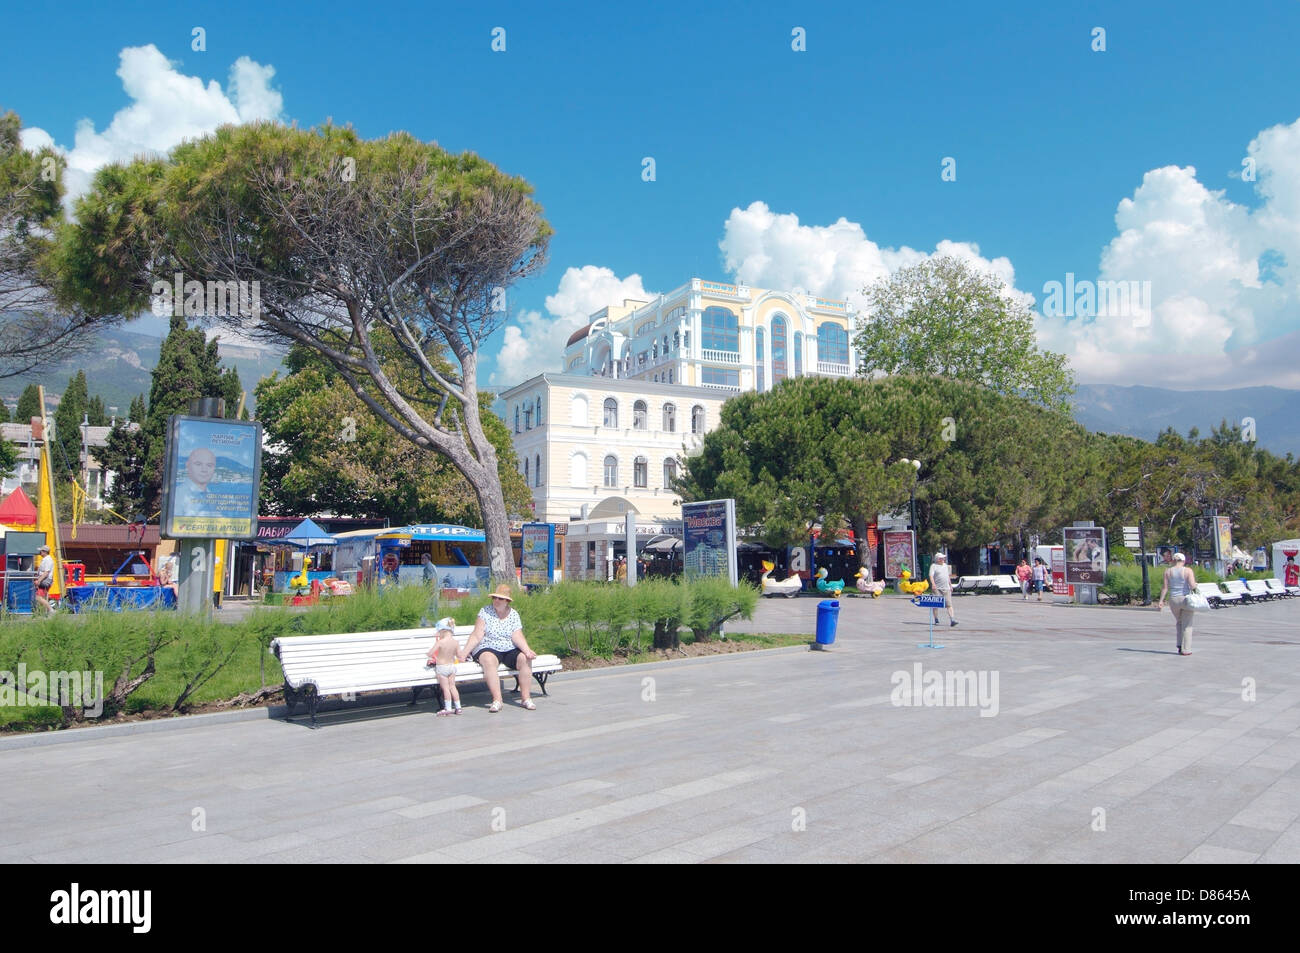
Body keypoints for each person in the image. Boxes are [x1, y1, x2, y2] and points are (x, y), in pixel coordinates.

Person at [460, 584, 539, 711]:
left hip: (508, 647)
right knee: (488, 660)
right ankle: (497, 700)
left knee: (525, 659)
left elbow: (517, 635)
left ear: (507, 601)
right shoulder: (485, 611)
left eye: (500, 599)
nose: (496, 601)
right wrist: (464, 652)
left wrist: (527, 650)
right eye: (494, 598)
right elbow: (477, 634)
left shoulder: (513, 614)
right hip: (488, 646)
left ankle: (526, 698)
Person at [1156, 551, 1197, 656]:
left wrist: (1161, 601)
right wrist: (1196, 585)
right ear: (1183, 561)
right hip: (1185, 599)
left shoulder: (1168, 571)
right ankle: (1186, 649)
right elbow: (1192, 585)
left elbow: (1165, 587)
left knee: (1179, 622)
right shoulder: (1187, 570)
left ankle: (1179, 645)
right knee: (1187, 624)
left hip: (1173, 599)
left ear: (1174, 560)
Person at [425, 617, 462, 715]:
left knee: (445, 689)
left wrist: (428, 654)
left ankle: (448, 708)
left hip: (442, 668)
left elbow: (431, 653)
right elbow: (459, 655)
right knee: (453, 687)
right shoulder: (455, 642)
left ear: (443, 631)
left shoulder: (440, 642)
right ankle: (458, 707)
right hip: (452, 666)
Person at [174, 447, 221, 516]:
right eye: (198, 464)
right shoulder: (178, 495)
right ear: (187, 465)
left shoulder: (211, 496)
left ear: (214, 468)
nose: (204, 469)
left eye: (209, 465)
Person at [927, 552, 957, 627]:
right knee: (935, 604)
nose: (943, 559)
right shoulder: (933, 566)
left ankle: (952, 620)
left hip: (946, 588)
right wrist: (933, 584)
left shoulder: (945, 566)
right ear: (937, 559)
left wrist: (950, 585)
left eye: (943, 558)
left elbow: (947, 576)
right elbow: (931, 576)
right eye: (941, 558)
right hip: (937, 588)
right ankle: (936, 619)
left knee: (949, 604)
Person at [34, 544, 55, 613]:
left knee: (38, 597)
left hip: (45, 580)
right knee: (43, 597)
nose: (40, 553)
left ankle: (51, 610)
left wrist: (38, 580)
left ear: (45, 552)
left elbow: (46, 572)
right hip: (45, 580)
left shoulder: (48, 560)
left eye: (41, 551)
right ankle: (44, 612)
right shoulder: (45, 559)